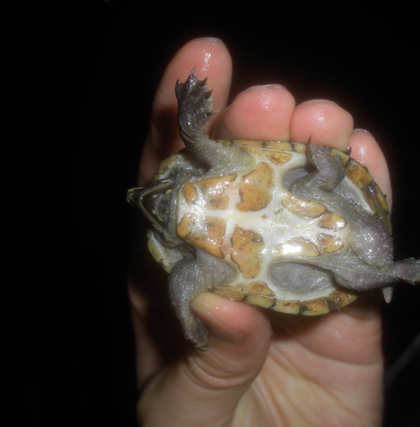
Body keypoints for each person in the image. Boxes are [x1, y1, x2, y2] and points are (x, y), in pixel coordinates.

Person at [128, 37, 388, 426]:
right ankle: (386, 272)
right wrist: (187, 317)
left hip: (313, 218)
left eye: (160, 196)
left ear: (174, 180)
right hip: (304, 259)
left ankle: (384, 272)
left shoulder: (220, 167)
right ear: (165, 233)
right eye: (159, 212)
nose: (159, 205)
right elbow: (184, 281)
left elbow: (198, 142)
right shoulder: (206, 262)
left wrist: (189, 123)